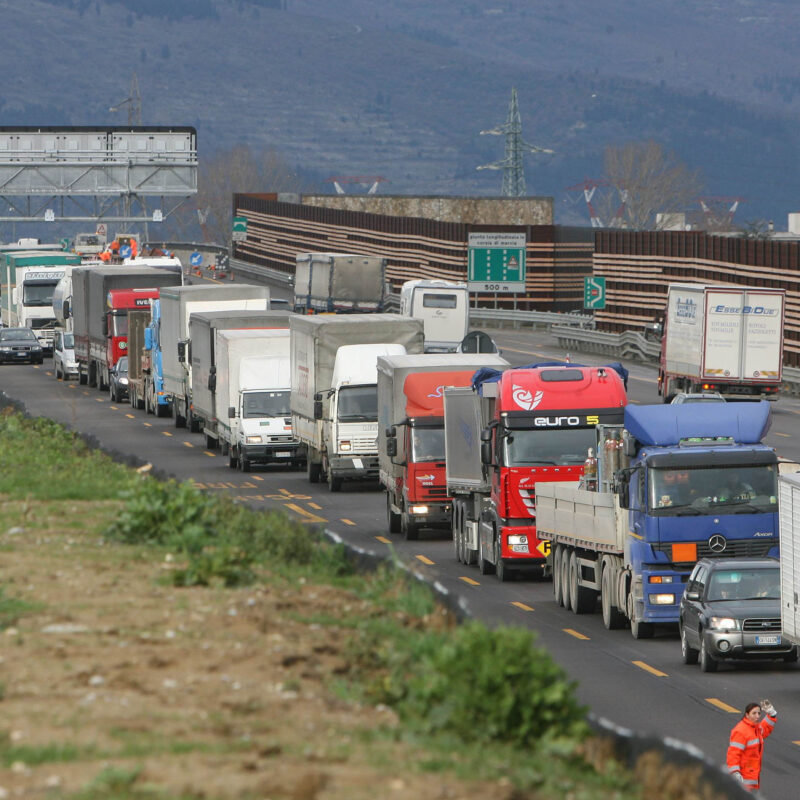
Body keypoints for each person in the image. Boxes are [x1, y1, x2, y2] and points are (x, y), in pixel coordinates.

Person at [726, 699, 777, 792]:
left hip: (750, 775)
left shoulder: (755, 728)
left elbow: (764, 729)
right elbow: (733, 754)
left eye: (759, 713)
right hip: (743, 776)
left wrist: (772, 714)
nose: (757, 716)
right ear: (747, 714)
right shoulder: (741, 731)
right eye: (754, 713)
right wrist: (735, 773)